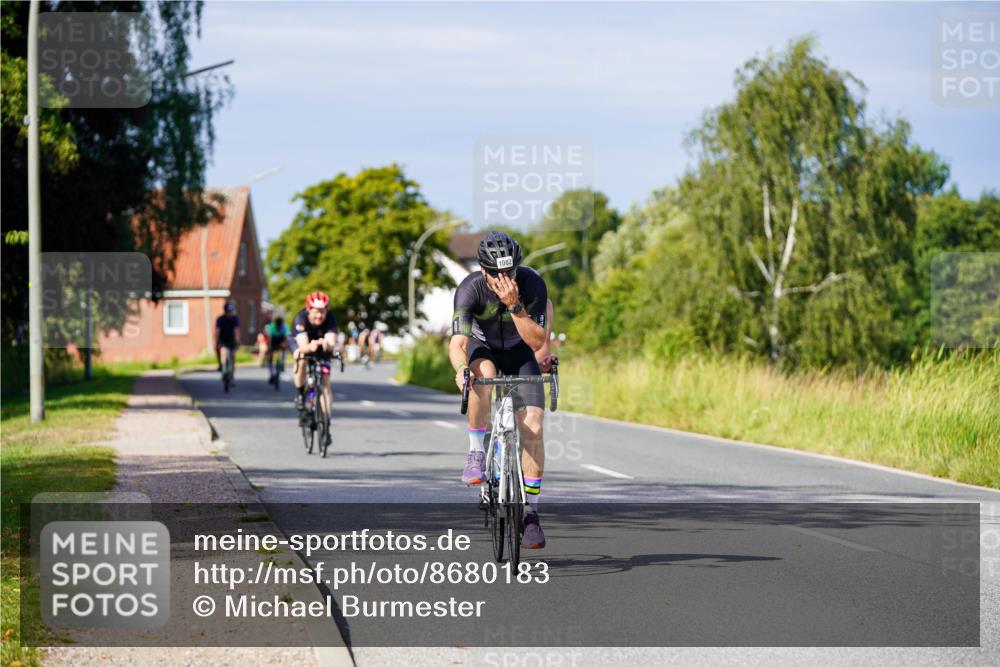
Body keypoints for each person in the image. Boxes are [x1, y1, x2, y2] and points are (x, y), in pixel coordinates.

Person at [449, 231, 550, 549]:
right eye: (497, 273)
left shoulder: (532, 284)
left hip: (521, 352)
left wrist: (515, 306)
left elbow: (536, 343)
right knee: (481, 377)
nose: (504, 279)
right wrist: (460, 368)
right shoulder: (470, 289)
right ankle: (477, 451)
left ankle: (530, 513)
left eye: (510, 271)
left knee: (533, 424)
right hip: (484, 349)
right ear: (483, 270)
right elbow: (458, 342)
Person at [293, 292, 339, 423]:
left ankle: (326, 421)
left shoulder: (330, 318)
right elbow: (303, 346)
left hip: (320, 346)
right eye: (316, 312)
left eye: (322, 312)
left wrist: (326, 344)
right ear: (308, 310)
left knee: (325, 382)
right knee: (300, 357)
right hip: (304, 344)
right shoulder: (301, 318)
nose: (319, 315)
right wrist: (311, 346)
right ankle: (300, 393)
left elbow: (331, 342)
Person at [215, 303, 240, 380]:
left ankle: (232, 374)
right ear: (225, 311)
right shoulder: (220, 319)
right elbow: (217, 331)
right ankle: (223, 369)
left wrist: (237, 340)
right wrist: (217, 342)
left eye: (231, 311)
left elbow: (236, 330)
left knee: (232, 356)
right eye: (229, 311)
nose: (230, 313)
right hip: (223, 340)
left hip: (232, 340)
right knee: (223, 353)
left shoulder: (235, 319)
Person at [265, 316, 290, 384]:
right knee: (270, 357)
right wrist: (269, 348)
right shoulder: (272, 327)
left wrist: (285, 346)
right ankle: (271, 373)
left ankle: (282, 363)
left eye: (280, 325)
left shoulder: (285, 327)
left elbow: (286, 338)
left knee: (283, 352)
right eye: (277, 325)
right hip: (274, 340)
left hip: (281, 340)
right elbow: (270, 339)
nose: (279, 326)